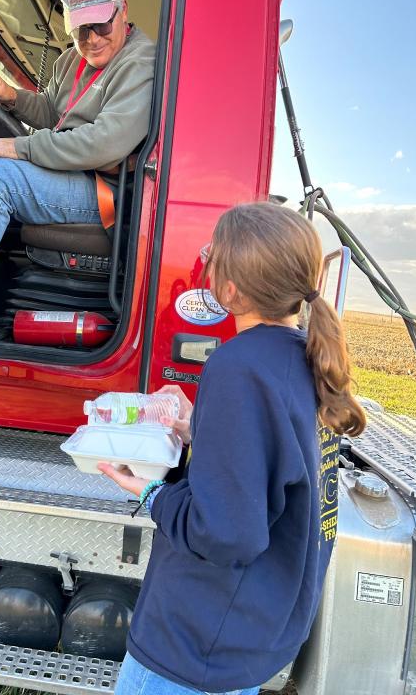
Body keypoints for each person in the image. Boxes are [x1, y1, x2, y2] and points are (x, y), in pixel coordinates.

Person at [99, 200, 367, 695]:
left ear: (229, 289)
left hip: (193, 649)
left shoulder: (238, 367)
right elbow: (271, 463)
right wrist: (198, 432)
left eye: (212, 256)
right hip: (243, 636)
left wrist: (151, 491)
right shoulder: (300, 359)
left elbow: (228, 537)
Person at [0, 0, 155, 344]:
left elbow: (105, 144)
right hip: (69, 176)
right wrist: (12, 97)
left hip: (105, 191)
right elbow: (52, 111)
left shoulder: (140, 62)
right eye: (81, 29)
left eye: (101, 24)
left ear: (123, 10)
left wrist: (19, 147)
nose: (93, 38)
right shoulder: (70, 61)